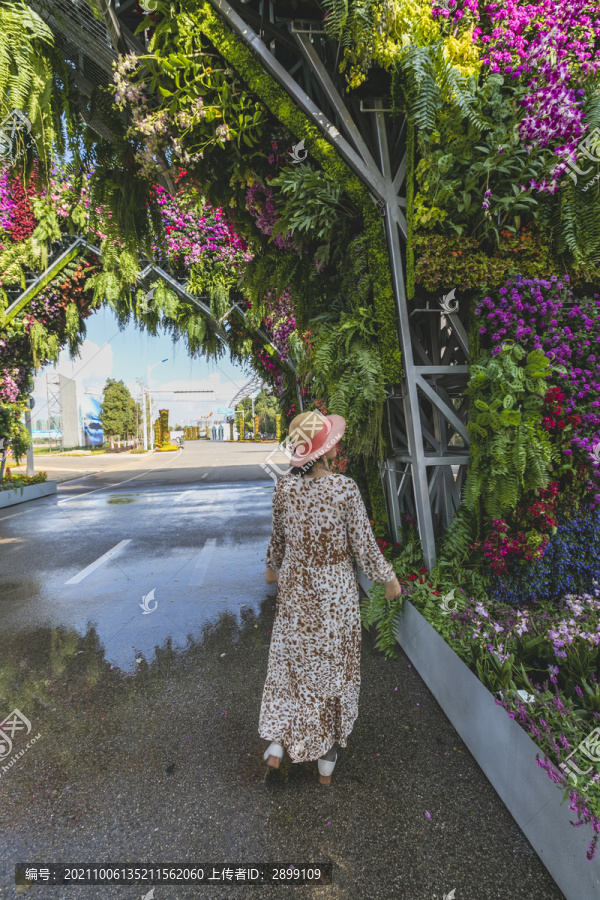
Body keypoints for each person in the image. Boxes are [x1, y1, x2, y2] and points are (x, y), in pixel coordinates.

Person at [259, 409, 403, 785]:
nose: (337, 447)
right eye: (333, 443)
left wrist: (272, 568)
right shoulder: (344, 489)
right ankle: (326, 755)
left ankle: (277, 744)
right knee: (332, 668)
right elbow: (364, 547)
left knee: (292, 664)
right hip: (334, 595)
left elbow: (278, 539)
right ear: (322, 452)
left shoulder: (284, 488)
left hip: (294, 590)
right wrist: (388, 579)